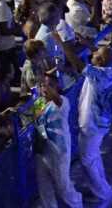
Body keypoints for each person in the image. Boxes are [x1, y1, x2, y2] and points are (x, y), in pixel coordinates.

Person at [32, 73, 83, 208]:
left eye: (50, 85)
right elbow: (37, 124)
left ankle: (77, 203)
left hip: (59, 151)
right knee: (44, 188)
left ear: (57, 87)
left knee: (63, 186)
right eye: (43, 84)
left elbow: (55, 98)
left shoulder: (62, 102)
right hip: (42, 150)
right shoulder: (39, 103)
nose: (45, 88)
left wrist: (47, 89)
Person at [77, 43, 112, 201]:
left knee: (87, 159)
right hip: (99, 122)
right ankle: (104, 188)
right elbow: (97, 54)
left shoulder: (99, 75)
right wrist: (85, 42)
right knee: (93, 156)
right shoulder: (106, 71)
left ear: (99, 61)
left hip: (92, 124)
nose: (91, 55)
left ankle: (103, 193)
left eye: (94, 55)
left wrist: (59, 42)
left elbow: (78, 64)